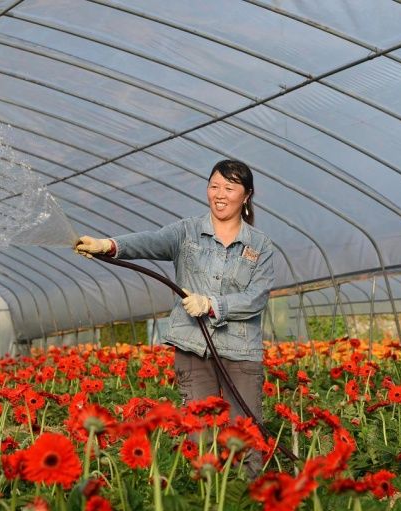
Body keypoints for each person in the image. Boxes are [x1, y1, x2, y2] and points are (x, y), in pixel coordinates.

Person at [74, 159, 273, 474]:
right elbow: (150, 242)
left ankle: (249, 502)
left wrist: (211, 304)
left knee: (247, 432)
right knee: (198, 433)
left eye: (230, 188)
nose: (220, 194)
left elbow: (256, 298)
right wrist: (107, 245)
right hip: (193, 347)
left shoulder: (259, 246)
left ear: (246, 196)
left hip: (241, 350)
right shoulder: (187, 232)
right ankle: (207, 504)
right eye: (214, 186)